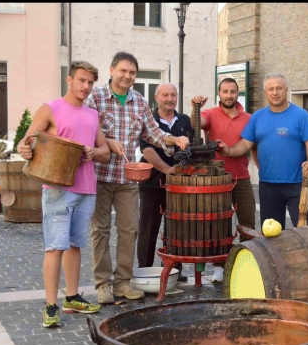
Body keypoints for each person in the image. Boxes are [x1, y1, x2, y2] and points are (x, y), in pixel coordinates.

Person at [84, 51, 189, 304]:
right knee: (100, 231)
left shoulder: (139, 102)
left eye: (132, 72)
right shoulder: (95, 98)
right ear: (111, 70)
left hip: (128, 178)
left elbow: (153, 135)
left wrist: (174, 139)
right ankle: (103, 285)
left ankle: (122, 283)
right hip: (98, 177)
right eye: (123, 71)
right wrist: (107, 141)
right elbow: (85, 130)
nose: (127, 76)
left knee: (129, 230)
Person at [17, 61, 111, 328]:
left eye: (91, 83)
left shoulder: (92, 115)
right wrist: (25, 149)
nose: (86, 87)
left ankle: (72, 297)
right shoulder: (51, 108)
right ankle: (50, 305)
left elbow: (104, 151)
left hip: (86, 190)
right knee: (55, 247)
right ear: (69, 80)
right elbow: (27, 142)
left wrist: (94, 153)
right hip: (58, 189)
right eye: (82, 80)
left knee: (74, 245)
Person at [216, 72, 308, 231]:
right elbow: (245, 143)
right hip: (268, 186)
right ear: (266, 92)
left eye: (279, 88)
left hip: (297, 185)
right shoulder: (257, 117)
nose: (275, 92)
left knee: (306, 233)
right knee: (271, 236)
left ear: (286, 89)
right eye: (271, 89)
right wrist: (228, 150)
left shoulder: (301, 115)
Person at [190, 78, 257, 283]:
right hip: (215, 179)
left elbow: (250, 144)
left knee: (248, 221)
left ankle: (247, 261)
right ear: (219, 93)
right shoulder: (209, 113)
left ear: (238, 94)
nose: (229, 95)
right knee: (218, 223)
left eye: (233, 91)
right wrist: (195, 107)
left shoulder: (248, 118)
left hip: (241, 177)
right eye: (225, 91)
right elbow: (196, 124)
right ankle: (220, 266)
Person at [136, 83, 191, 281]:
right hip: (152, 184)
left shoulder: (184, 120)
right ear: (156, 97)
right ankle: (144, 271)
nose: (170, 98)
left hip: (178, 187)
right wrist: (168, 170)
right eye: (165, 95)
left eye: (173, 95)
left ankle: (173, 270)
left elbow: (189, 149)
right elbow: (148, 151)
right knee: (148, 230)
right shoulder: (148, 119)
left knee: (176, 229)